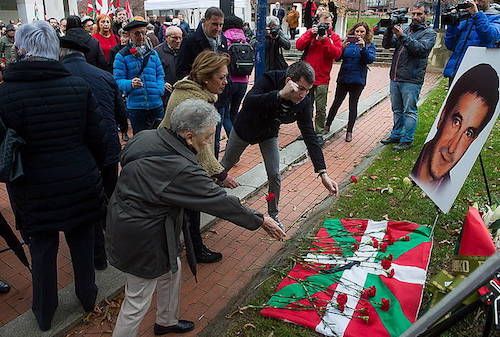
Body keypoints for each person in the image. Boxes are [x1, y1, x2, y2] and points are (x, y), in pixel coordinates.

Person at [107, 99, 285, 337]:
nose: (211, 142)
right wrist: (261, 219)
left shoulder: (147, 136)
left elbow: (125, 158)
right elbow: (220, 201)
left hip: (136, 222)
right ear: (189, 136)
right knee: (137, 298)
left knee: (173, 268)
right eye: (208, 136)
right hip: (142, 236)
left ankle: (166, 321)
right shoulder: (181, 169)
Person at [0, 21, 106, 331]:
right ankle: (87, 296)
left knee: (43, 249)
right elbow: (97, 138)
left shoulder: (5, 95)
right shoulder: (77, 86)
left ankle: (44, 311)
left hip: (31, 184)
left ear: (22, 49)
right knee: (82, 243)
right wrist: (95, 168)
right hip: (79, 177)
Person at [221, 61, 339, 228]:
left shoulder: (304, 101)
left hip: (268, 133)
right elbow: (249, 102)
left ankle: (273, 215)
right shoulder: (270, 79)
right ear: (288, 80)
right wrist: (280, 94)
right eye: (301, 88)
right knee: (225, 165)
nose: (303, 94)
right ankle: (207, 194)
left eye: (308, 90)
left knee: (274, 174)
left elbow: (309, 136)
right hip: (245, 128)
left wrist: (323, 172)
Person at [159, 51, 238, 263]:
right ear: (205, 78)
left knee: (190, 208)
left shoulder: (196, 92)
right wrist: (220, 173)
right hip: (177, 162)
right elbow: (200, 147)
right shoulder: (192, 100)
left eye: (226, 76)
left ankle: (191, 247)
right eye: (221, 77)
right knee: (191, 208)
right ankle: (193, 251)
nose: (225, 82)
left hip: (178, 160)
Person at [60, 31, 128, 270]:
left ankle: (97, 253)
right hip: (107, 147)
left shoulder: (59, 77)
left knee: (85, 204)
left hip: (78, 153)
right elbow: (122, 115)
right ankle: (114, 242)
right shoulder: (103, 76)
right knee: (109, 197)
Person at [411, 63, 498, 190]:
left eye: (469, 133)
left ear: (474, 139)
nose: (452, 148)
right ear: (443, 115)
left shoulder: (446, 191)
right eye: (456, 122)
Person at [175, 7, 232, 158]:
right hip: (197, 100)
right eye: (214, 24)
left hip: (218, 99)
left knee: (215, 136)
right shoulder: (190, 41)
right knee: (198, 140)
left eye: (221, 25)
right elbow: (180, 71)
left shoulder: (223, 40)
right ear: (205, 21)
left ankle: (213, 170)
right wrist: (200, 84)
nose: (218, 28)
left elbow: (225, 69)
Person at [381, 2, 437, 151]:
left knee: (409, 110)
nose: (415, 17)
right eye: (413, 14)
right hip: (396, 77)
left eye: (419, 14)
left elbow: (420, 50)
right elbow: (387, 45)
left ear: (426, 15)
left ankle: (407, 140)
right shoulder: (406, 29)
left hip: (411, 79)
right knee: (397, 109)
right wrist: (389, 29)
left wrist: (403, 36)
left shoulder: (429, 33)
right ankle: (396, 134)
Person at [325, 22, 377, 142]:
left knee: (353, 106)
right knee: (336, 102)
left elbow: (369, 60)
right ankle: (327, 125)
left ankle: (349, 131)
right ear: (353, 31)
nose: (359, 34)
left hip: (358, 80)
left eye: (362, 32)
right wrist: (342, 47)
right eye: (357, 31)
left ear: (366, 33)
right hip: (344, 78)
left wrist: (363, 48)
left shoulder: (369, 45)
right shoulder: (348, 43)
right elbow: (337, 58)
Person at [114, 17, 165, 134]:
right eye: (137, 34)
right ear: (129, 35)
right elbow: (117, 80)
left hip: (156, 104)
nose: (141, 37)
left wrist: (159, 89)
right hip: (136, 107)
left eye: (143, 33)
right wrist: (130, 84)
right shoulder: (121, 56)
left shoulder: (153, 54)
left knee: (159, 138)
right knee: (141, 140)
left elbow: (160, 75)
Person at [296, 12, 342, 135]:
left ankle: (319, 132)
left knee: (320, 108)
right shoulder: (311, 33)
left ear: (332, 24)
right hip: (307, 78)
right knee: (306, 107)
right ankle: (306, 130)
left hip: (322, 78)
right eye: (323, 24)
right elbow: (299, 45)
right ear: (318, 22)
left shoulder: (334, 38)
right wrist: (310, 34)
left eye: (328, 24)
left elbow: (337, 54)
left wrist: (326, 39)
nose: (325, 27)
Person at [443, 0, 500, 83]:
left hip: (479, 75)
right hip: (457, 72)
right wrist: (452, 25)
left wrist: (477, 15)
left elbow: (490, 37)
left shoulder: (496, 16)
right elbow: (450, 45)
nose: (476, 3)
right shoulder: (465, 17)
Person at [222, 15, 250, 123]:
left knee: (225, 116)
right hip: (244, 81)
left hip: (229, 80)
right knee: (234, 112)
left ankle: (233, 139)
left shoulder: (225, 38)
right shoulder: (244, 39)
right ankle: (237, 138)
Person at [155, 25, 183, 106]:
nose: (178, 41)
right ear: (166, 38)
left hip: (181, 93)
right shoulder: (156, 52)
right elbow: (152, 72)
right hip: (165, 95)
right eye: (174, 38)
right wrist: (162, 83)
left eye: (180, 38)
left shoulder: (184, 50)